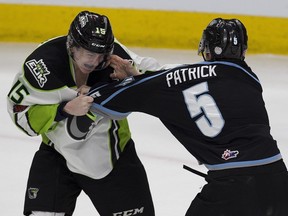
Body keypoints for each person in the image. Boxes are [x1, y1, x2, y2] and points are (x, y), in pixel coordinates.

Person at [87, 18, 288, 216]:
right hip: (279, 182)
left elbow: (107, 103)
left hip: (232, 187)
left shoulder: (182, 77)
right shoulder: (250, 78)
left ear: (206, 48)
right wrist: (138, 78)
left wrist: (94, 93)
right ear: (243, 50)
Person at [6, 10, 162, 216]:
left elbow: (163, 81)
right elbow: (21, 114)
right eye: (89, 53)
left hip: (112, 159)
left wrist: (134, 78)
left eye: (101, 55)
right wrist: (62, 110)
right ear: (72, 45)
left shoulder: (117, 59)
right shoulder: (43, 65)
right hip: (57, 154)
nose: (95, 61)